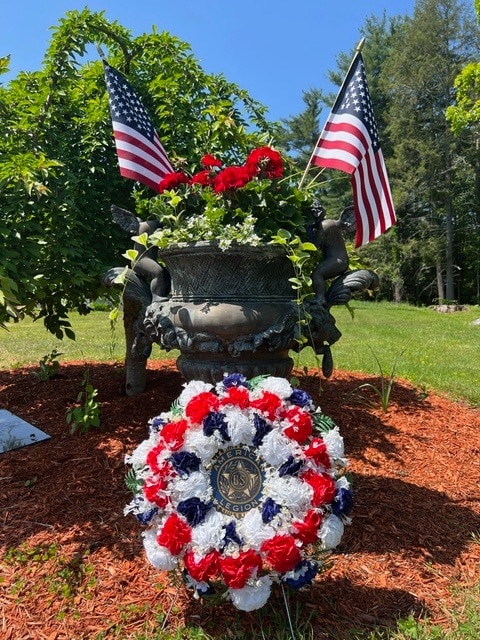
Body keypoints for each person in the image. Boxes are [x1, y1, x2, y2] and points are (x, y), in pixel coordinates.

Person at [311, 204, 356, 306]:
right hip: (340, 260)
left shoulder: (325, 225)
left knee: (317, 274)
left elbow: (314, 245)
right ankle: (322, 297)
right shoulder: (329, 224)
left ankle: (320, 298)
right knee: (319, 278)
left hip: (338, 261)